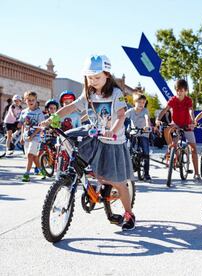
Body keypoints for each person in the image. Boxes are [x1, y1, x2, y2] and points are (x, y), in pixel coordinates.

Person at [41, 54, 135, 231]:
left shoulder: (116, 93)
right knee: (94, 170)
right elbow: (71, 107)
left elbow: (121, 115)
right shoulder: (89, 93)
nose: (93, 80)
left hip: (114, 142)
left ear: (107, 74)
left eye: (97, 77)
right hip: (96, 138)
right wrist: (53, 117)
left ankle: (128, 213)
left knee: (118, 181)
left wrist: (112, 131)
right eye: (90, 77)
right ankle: (96, 187)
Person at [155, 79, 201, 181]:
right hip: (175, 125)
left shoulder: (188, 100)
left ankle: (197, 174)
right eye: (177, 90)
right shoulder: (172, 100)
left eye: (182, 90)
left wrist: (193, 120)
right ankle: (174, 155)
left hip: (187, 125)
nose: (179, 92)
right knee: (173, 143)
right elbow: (165, 110)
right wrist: (158, 119)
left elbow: (190, 111)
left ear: (186, 91)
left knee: (193, 149)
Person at [19, 91, 46, 181]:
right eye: (29, 100)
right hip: (26, 137)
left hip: (36, 137)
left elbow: (40, 126)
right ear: (25, 101)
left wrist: (33, 135)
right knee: (33, 157)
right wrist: (22, 136)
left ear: (36, 101)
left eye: (33, 100)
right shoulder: (23, 112)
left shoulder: (39, 113)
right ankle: (42, 171)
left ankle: (26, 174)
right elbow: (22, 124)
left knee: (30, 155)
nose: (31, 102)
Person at [126, 93, 152, 182]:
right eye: (139, 102)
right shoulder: (130, 111)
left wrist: (147, 126)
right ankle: (128, 172)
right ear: (134, 102)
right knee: (129, 151)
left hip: (144, 133)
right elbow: (122, 117)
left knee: (146, 152)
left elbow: (146, 118)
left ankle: (146, 174)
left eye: (143, 102)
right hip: (133, 132)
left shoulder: (145, 111)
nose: (141, 104)